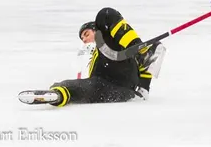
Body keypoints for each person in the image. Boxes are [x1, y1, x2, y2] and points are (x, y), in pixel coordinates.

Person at [18, 7, 165, 106]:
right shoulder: (89, 54)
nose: (85, 40)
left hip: (122, 74)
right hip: (113, 90)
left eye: (86, 34)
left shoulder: (109, 39)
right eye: (82, 39)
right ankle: (57, 95)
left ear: (97, 30)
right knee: (73, 85)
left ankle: (141, 52)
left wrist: (144, 87)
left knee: (105, 14)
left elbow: (155, 55)